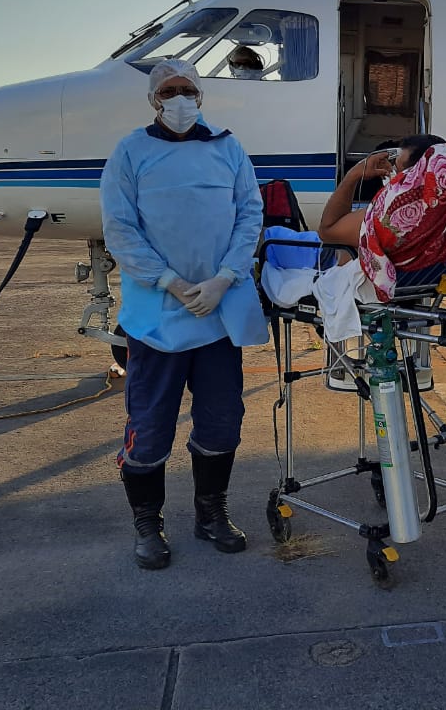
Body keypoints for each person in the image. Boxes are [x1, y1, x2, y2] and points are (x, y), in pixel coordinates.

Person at [99, 57, 268, 570]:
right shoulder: (131, 151)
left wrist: (226, 277)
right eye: (169, 90)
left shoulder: (227, 147)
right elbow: (121, 230)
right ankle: (148, 524)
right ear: (154, 100)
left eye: (187, 89)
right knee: (149, 428)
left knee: (222, 422)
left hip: (217, 314)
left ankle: (210, 513)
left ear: (201, 95)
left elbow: (250, 214)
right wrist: (168, 281)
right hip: (157, 320)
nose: (179, 98)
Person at [317, 134, 446, 247]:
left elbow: (328, 231)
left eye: (398, 168)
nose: (393, 173)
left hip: (332, 260)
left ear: (415, 177)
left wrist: (353, 174)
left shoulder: (393, 217)